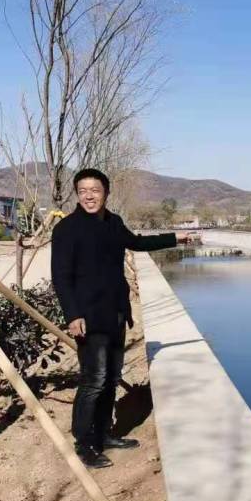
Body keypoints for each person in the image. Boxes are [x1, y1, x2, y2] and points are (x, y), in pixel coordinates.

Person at [52, 168, 192, 468]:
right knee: (94, 379)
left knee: (111, 378)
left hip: (116, 313)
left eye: (96, 190)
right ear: (78, 194)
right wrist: (72, 315)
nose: (89, 195)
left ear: (106, 193)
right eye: (83, 190)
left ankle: (103, 434)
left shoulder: (114, 223)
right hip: (88, 318)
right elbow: (61, 277)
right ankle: (84, 442)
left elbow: (137, 243)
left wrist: (176, 238)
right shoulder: (67, 228)